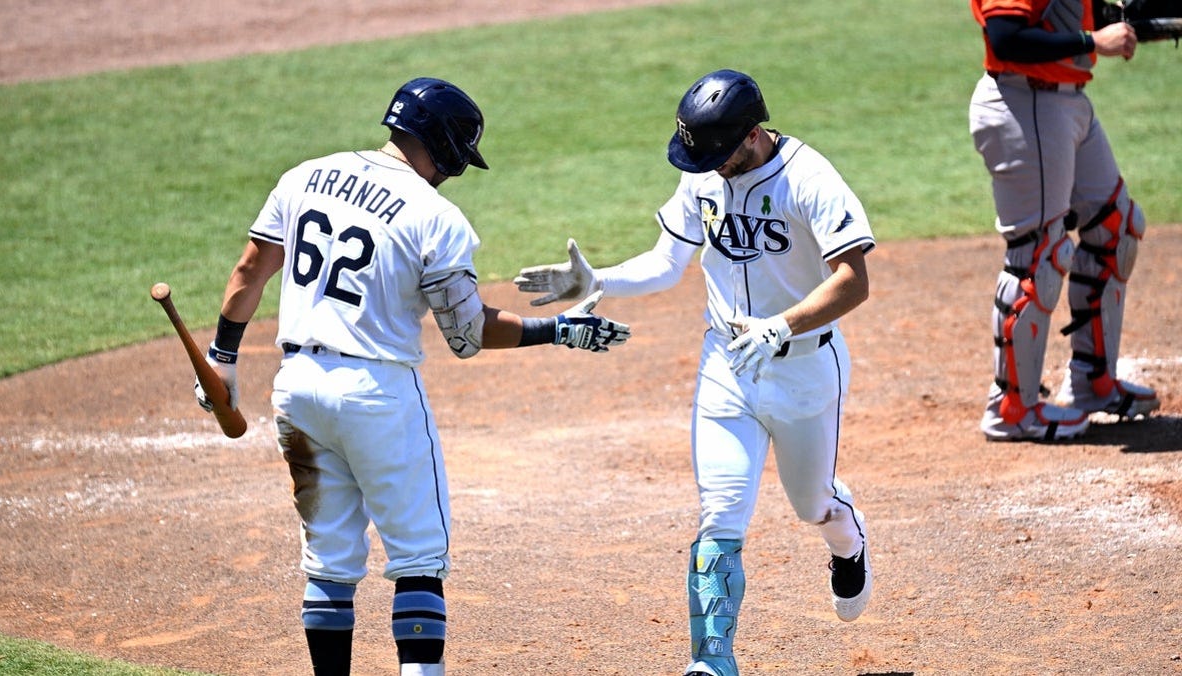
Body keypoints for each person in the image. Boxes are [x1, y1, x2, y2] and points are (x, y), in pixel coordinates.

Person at [193, 76, 630, 676]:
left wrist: (222, 356)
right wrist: (557, 330)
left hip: (297, 387)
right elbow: (466, 334)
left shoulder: (304, 177)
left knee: (329, 562)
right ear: (444, 146)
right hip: (377, 396)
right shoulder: (435, 215)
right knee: (419, 559)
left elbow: (250, 270)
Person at [514, 69, 874, 676]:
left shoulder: (810, 180)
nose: (708, 167)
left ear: (752, 134)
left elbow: (853, 282)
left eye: (717, 154)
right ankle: (712, 663)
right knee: (721, 514)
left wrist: (781, 325)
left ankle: (848, 540)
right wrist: (598, 280)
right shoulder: (705, 171)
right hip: (726, 368)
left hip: (805, 369)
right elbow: (666, 262)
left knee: (811, 504)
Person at [970, 0, 1161, 441]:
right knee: (1038, 254)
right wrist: (1093, 42)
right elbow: (1006, 37)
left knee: (1115, 227)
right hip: (1025, 104)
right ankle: (1011, 408)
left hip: (1067, 102)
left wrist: (1121, 19)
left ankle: (1093, 383)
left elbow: (1061, 13)